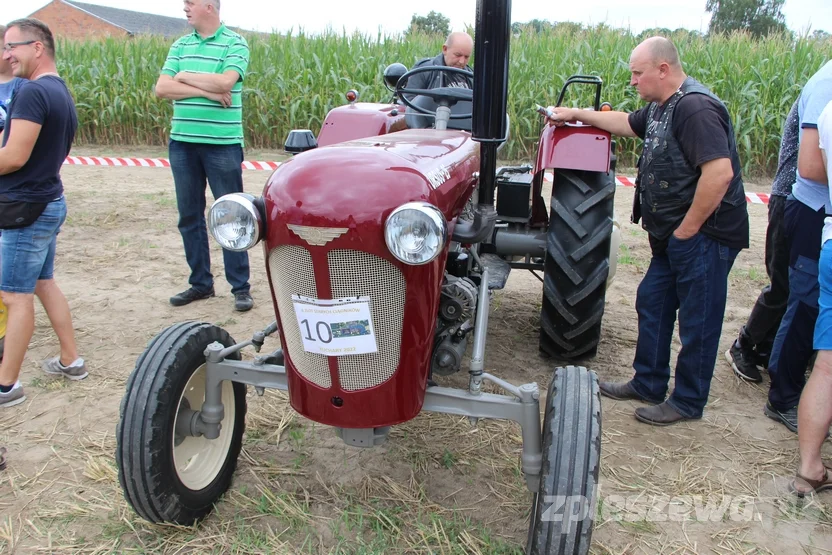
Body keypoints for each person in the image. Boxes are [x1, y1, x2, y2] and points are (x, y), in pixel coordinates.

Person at [547, 37, 748, 426]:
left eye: (638, 73)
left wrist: (687, 231)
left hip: (706, 237)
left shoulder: (695, 108)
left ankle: (688, 401)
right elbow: (624, 122)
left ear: (663, 69)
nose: (633, 81)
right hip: (674, 237)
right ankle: (649, 382)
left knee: (698, 321)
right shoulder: (661, 107)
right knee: (652, 301)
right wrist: (573, 113)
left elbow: (719, 174)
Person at [0, 18, 87, 409]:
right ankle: (72, 360)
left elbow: (15, 156)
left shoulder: (32, 93)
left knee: (13, 296)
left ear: (37, 47)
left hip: (26, 208)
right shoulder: (59, 90)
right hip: (48, 200)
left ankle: (6, 385)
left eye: (12, 46)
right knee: (43, 283)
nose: (7, 55)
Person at [155, 0, 253, 312]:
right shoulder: (181, 44)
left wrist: (184, 76)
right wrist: (207, 92)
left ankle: (240, 287)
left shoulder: (235, 43)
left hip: (222, 144)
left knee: (231, 215)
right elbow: (162, 88)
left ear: (209, 6)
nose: (184, 8)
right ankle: (201, 284)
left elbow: (227, 81)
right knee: (189, 216)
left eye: (190, 3)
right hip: (182, 143)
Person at [764, 60, 832, 433]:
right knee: (806, 305)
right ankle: (784, 397)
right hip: (813, 210)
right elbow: (808, 166)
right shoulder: (826, 86)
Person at [726, 101, 799, 383]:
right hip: (792, 199)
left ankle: (770, 348)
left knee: (800, 288)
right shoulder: (822, 90)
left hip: (806, 203)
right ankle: (744, 345)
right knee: (783, 285)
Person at [793, 98, 832, 496]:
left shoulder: (829, 110)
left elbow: (813, 168)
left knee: (826, 367)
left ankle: (809, 467)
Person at [406, 31, 474, 92]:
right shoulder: (424, 71)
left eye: (466, 57)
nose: (462, 61)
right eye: (458, 55)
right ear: (445, 49)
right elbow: (407, 101)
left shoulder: (471, 76)